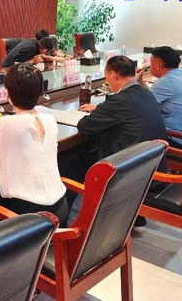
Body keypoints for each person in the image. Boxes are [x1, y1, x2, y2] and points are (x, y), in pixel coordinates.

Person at [71, 55, 167, 224]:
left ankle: (77, 222)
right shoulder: (145, 93)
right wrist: (101, 109)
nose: (107, 81)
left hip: (129, 175)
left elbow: (85, 125)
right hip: (150, 168)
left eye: (106, 77)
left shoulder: (119, 100)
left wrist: (101, 111)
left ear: (114, 76)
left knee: (76, 161)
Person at [0, 63, 68, 225]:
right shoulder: (50, 120)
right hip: (60, 209)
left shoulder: (6, 124)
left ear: (7, 93)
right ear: (40, 91)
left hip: (28, 217)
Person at [136, 46, 182, 150]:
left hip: (178, 140)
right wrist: (140, 82)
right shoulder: (181, 74)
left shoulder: (167, 81)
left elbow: (141, 105)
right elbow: (150, 96)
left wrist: (130, 84)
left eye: (151, 62)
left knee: (132, 124)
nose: (149, 66)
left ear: (159, 66)